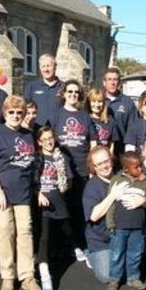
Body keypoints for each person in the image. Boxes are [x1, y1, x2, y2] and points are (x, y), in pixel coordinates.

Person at [0, 95, 41, 290]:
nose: (16, 115)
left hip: (23, 192)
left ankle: (27, 276)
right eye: (11, 112)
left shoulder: (28, 134)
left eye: (19, 112)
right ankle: (8, 275)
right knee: (6, 230)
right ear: (4, 113)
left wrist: (36, 186)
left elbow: (32, 164)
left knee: (25, 230)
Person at [52, 79, 97, 255]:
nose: (73, 95)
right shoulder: (56, 115)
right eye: (69, 91)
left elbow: (93, 141)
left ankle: (81, 243)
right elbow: (51, 141)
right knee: (64, 209)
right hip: (63, 171)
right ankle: (66, 244)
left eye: (76, 92)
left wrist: (92, 167)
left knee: (80, 208)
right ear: (63, 94)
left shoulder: (84, 116)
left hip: (82, 169)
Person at [106, 151, 146, 290]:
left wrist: (144, 184)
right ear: (126, 169)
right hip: (120, 226)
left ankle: (133, 278)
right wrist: (110, 223)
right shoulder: (117, 180)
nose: (141, 169)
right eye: (137, 167)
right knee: (117, 254)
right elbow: (111, 203)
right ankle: (114, 279)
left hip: (137, 227)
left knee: (135, 253)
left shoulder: (144, 181)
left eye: (141, 166)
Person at [34, 126, 74, 290]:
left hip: (60, 203)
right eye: (44, 139)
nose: (49, 141)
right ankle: (44, 273)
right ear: (39, 142)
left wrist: (61, 185)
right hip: (42, 204)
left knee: (67, 230)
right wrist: (39, 193)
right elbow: (29, 182)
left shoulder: (61, 157)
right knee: (44, 236)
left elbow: (69, 183)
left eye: (51, 138)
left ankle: (76, 246)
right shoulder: (37, 158)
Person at [24, 53, 63, 127]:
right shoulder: (32, 86)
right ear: (40, 68)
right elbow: (26, 108)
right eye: (43, 66)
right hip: (36, 129)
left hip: (58, 129)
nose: (46, 69)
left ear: (55, 66)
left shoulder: (63, 87)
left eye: (49, 66)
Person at [103, 67, 137, 150]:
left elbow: (132, 126)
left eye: (115, 79)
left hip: (121, 149)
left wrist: (129, 147)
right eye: (109, 79)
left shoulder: (127, 102)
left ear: (119, 82)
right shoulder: (97, 101)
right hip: (101, 148)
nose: (112, 83)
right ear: (104, 82)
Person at [85, 88, 119, 153]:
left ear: (104, 103)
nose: (97, 105)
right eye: (94, 101)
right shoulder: (85, 119)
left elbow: (112, 145)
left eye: (100, 101)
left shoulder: (110, 121)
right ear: (89, 103)